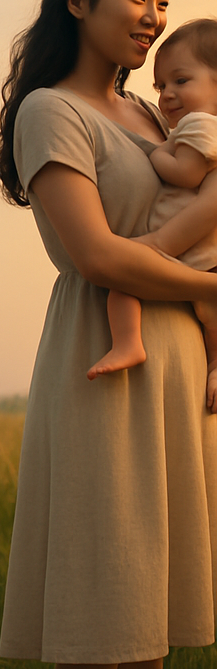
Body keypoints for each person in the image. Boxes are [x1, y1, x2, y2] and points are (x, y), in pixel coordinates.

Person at [0, 0, 217, 669]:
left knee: (152, 614)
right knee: (101, 612)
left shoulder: (155, 112)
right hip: (103, 359)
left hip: (179, 366)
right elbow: (92, 253)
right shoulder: (51, 112)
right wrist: (209, 290)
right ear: (78, 0)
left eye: (163, 0)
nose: (154, 15)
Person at [88, 20, 217, 400]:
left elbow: (188, 173)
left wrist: (156, 152)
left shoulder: (199, 126)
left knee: (123, 279)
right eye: (161, 86)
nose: (167, 95)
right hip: (201, 255)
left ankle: (128, 343)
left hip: (176, 243)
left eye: (181, 81)